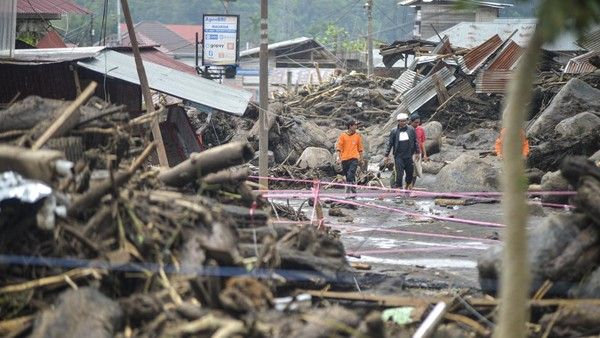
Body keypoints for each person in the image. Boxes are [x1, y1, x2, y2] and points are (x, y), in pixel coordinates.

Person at [384, 112, 419, 190]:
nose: (403, 122)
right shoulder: (394, 131)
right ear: (398, 121)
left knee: (410, 173)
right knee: (399, 173)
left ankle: (407, 186)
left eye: (404, 121)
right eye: (401, 121)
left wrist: (417, 152)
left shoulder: (411, 129)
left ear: (407, 121)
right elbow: (390, 144)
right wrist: (386, 155)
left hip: (409, 155)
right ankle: (399, 187)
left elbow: (415, 141)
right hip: (398, 156)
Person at [336, 119, 364, 195]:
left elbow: (360, 148)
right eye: (354, 125)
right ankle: (353, 189)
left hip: (354, 158)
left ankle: (348, 190)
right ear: (350, 126)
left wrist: (361, 159)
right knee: (348, 175)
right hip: (344, 159)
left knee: (351, 173)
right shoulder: (343, 135)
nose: (356, 126)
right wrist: (338, 158)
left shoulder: (357, 136)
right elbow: (339, 147)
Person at [410, 113, 428, 187]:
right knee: (409, 170)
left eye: (418, 122)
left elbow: (422, 142)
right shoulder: (408, 129)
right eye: (416, 122)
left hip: (417, 153)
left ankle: (411, 186)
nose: (417, 124)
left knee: (415, 171)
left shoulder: (421, 129)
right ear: (411, 121)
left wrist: (425, 155)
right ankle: (406, 186)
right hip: (408, 153)